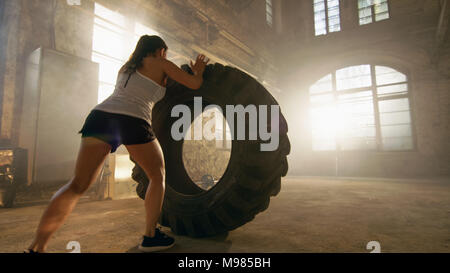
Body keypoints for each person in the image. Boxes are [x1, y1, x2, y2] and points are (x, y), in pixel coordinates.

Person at [25, 35, 209, 253]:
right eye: (165, 52)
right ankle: (150, 237)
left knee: (77, 185)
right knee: (157, 175)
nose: (166, 56)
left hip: (100, 117)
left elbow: (148, 87)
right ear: (160, 50)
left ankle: (37, 246)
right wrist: (198, 70)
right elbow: (194, 84)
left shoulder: (127, 67)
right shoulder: (161, 62)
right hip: (132, 120)